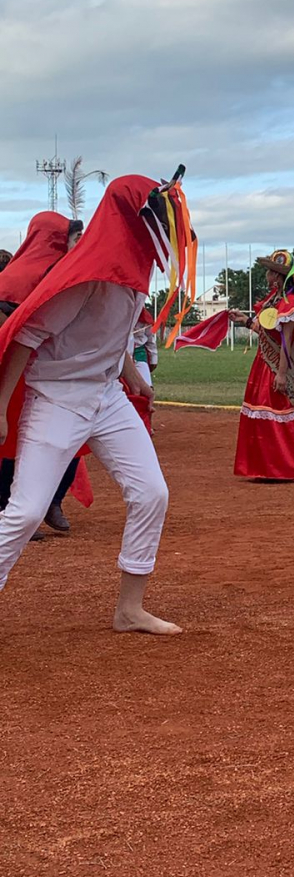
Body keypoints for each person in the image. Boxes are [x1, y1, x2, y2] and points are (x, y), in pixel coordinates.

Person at [0, 173, 194, 632]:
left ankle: (129, 610)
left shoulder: (134, 272)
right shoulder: (85, 274)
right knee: (26, 511)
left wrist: (133, 379)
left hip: (106, 396)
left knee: (152, 493)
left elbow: (116, 336)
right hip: (57, 398)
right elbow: (27, 336)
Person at [0, 213, 85, 533]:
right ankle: (11, 507)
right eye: (74, 237)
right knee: (14, 444)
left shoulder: (69, 276)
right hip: (17, 373)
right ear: (53, 238)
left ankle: (52, 500)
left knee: (74, 441)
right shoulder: (11, 279)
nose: (78, 244)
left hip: (57, 373)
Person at [230, 250, 294, 481]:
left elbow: (287, 339)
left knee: (278, 409)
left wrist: (282, 373)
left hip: (278, 365)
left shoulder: (290, 303)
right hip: (265, 362)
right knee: (264, 411)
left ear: (277, 276)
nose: (266, 274)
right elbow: (268, 333)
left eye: (270, 271)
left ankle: (283, 467)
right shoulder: (275, 301)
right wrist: (245, 321)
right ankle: (267, 467)